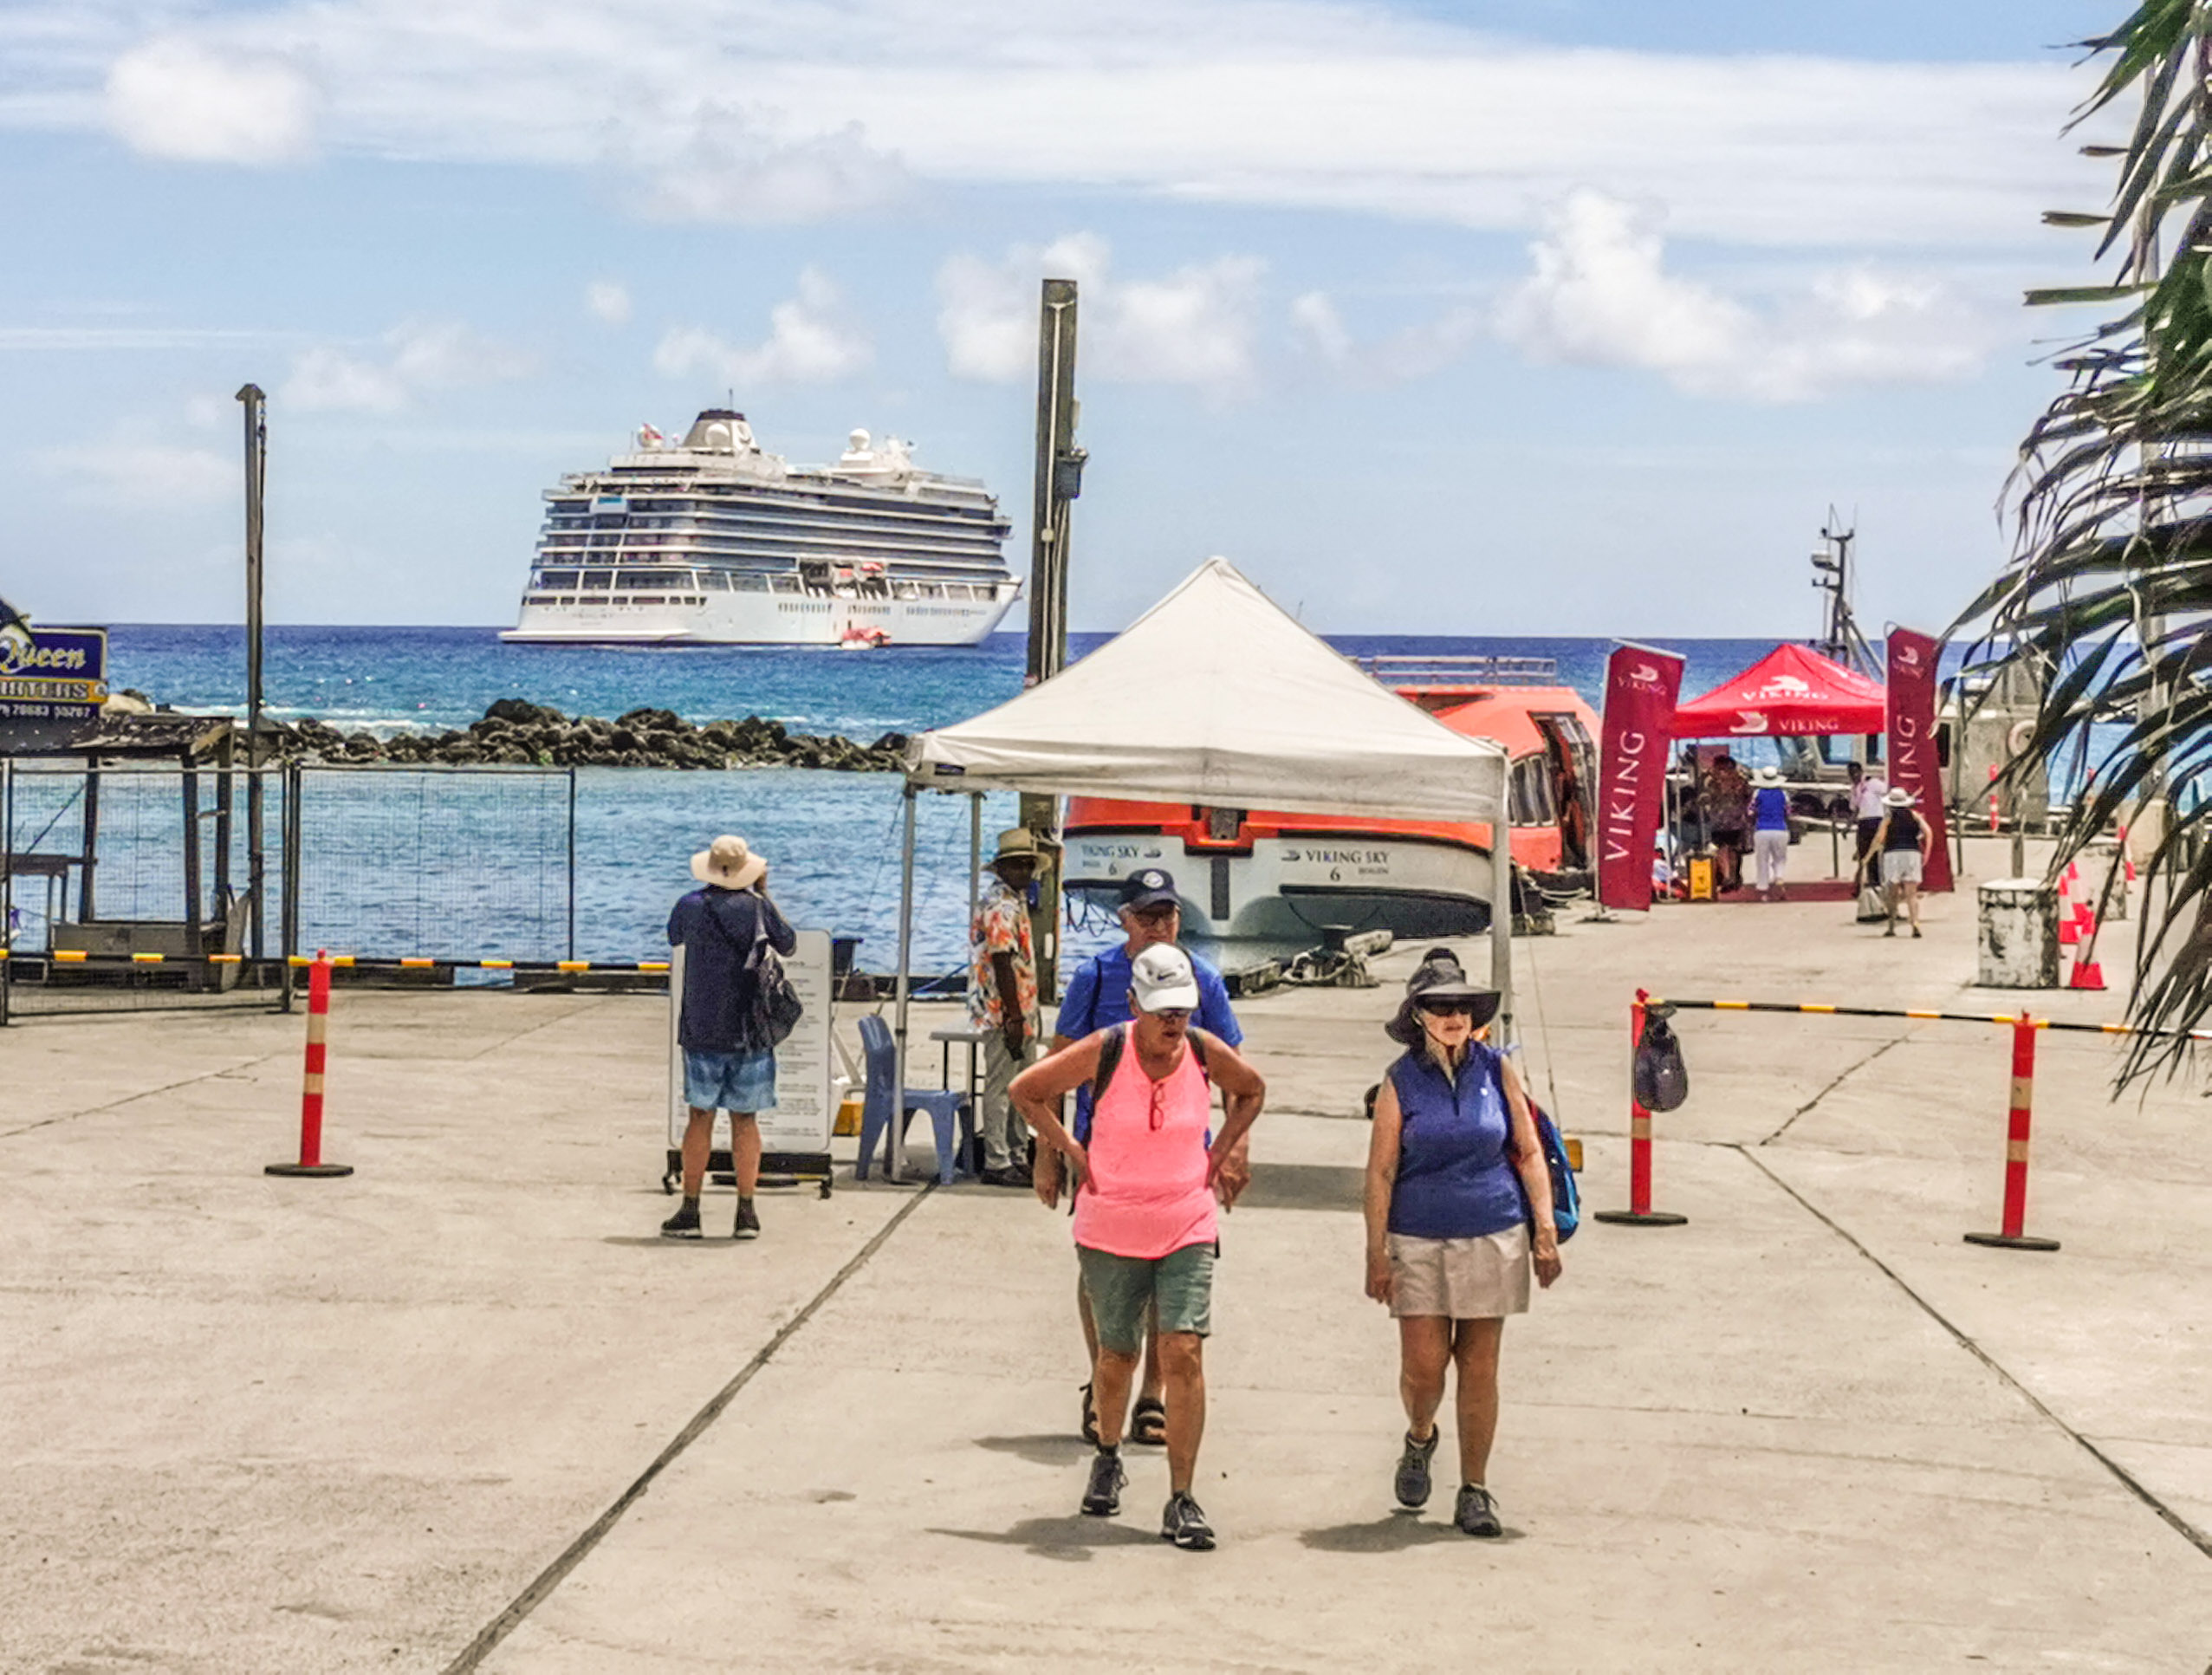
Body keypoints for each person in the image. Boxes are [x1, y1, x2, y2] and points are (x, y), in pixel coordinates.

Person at [1015, 945, 1267, 1550]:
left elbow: (1252, 1090)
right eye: (1160, 1010)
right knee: (1116, 1357)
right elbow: (1027, 1089)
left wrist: (1224, 1148)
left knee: (1182, 1350)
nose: (1171, 1021)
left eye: (1181, 1008)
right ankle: (1108, 1451)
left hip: (1186, 1220)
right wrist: (1067, 1151)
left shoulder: (1204, 1051)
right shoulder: (1106, 1048)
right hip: (1110, 1225)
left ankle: (1181, 1497)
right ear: (1134, 1005)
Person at [1362, 947, 1562, 1538]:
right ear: (1418, 1014)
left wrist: (1544, 1233)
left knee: (1479, 1365)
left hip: (1493, 1228)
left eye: (1459, 1005)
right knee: (1424, 1368)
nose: (1451, 1015)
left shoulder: (1496, 1068)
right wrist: (1375, 1252)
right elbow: (1379, 1172)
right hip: (1417, 1234)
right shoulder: (1398, 1081)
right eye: (1438, 1006)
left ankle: (1474, 1487)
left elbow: (1527, 1150)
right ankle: (1419, 1435)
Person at [1048, 868, 1247, 1449]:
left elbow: (1236, 1069)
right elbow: (1056, 1063)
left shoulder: (1202, 980)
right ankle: (1103, 1373)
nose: (1161, 926)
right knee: (1101, 1275)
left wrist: (1233, 1151)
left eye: (1169, 915)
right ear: (1124, 920)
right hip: (1101, 1154)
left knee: (1169, 1276)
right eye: (1148, 916)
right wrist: (1051, 1151)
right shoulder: (1096, 975)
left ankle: (1153, 1391)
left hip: (1178, 1159)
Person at [663, 834, 796, 1241]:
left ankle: (690, 1209)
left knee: (700, 1117)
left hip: (701, 1027)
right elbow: (788, 944)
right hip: (749, 1029)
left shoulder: (690, 905)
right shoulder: (756, 907)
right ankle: (746, 1212)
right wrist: (764, 894)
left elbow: (674, 937)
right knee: (745, 1120)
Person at [970, 828, 1042, 1187]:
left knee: (1020, 1085)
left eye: (1028, 865)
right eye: (1017, 866)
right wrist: (1013, 1015)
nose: (1025, 872)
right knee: (1001, 1087)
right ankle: (996, 1160)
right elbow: (1002, 962)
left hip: (1020, 1008)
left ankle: (1015, 1152)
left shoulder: (1015, 902)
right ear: (1002, 869)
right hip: (1003, 1011)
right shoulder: (1000, 906)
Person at [1872, 787, 1932, 938]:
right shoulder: (1915, 816)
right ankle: (1915, 924)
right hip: (1912, 853)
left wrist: (1870, 853)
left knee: (1892, 893)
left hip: (1893, 854)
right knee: (1911, 894)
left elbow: (1880, 837)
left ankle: (1891, 926)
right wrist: (1927, 853)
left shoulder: (1888, 818)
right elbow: (1928, 832)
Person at [1701, 755, 1750, 893]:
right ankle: (1734, 878)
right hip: (1736, 820)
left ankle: (1726, 877)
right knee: (1734, 850)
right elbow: (1748, 797)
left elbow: (1704, 799)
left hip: (1719, 821)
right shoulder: (1740, 780)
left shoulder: (1711, 782)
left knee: (1720, 849)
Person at [1749, 765, 1791, 901]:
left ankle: (1763, 890)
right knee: (1780, 859)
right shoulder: (1783, 794)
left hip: (1762, 830)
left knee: (1762, 861)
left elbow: (1750, 811)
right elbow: (1789, 812)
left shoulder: (1758, 793)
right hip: (1780, 829)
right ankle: (1779, 876)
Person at [1847, 763, 1890, 883]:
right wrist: (1848, 825)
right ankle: (1864, 882)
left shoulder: (1873, 783)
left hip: (1876, 821)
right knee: (1863, 853)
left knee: (1876, 853)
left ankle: (1877, 881)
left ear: (1861, 771)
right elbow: (1855, 809)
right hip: (1863, 823)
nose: (1854, 776)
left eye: (1856, 772)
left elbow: (1888, 790)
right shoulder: (1854, 789)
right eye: (1851, 774)